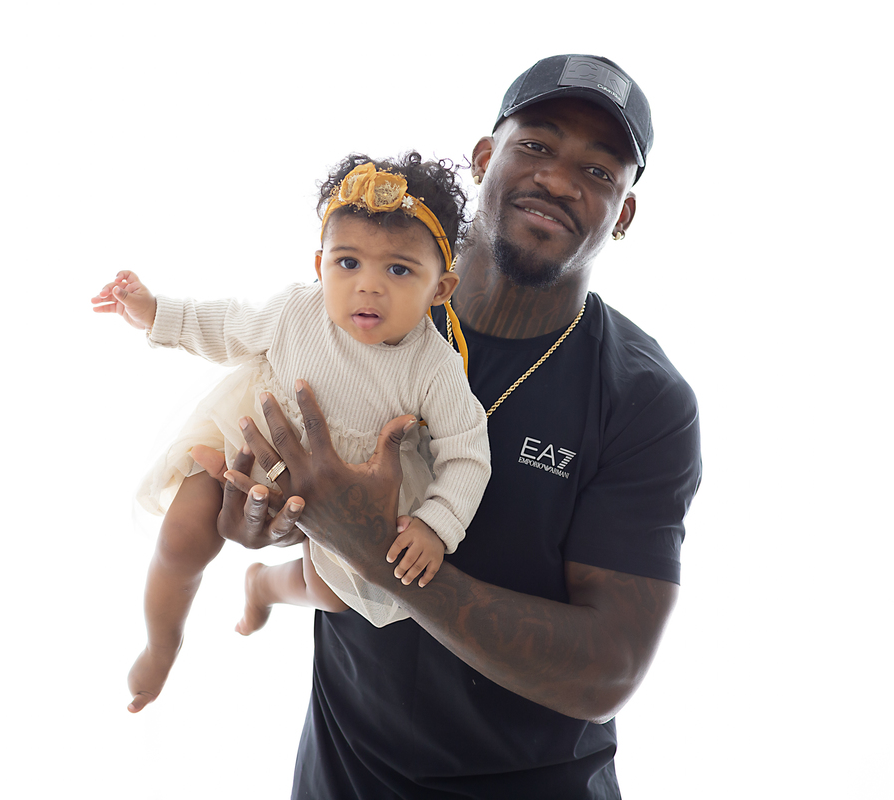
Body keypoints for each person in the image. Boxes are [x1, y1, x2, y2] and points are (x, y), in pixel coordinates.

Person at [195, 55, 702, 798]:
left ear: (623, 214)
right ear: (485, 158)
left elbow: (608, 670)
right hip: (341, 776)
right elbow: (276, 477)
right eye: (537, 144)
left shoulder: (642, 399)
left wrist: (378, 554)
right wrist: (267, 516)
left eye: (599, 172)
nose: (560, 180)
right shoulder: (363, 304)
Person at [90, 153, 492, 713]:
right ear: (320, 265)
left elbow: (467, 453)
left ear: (441, 288)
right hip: (249, 449)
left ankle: (265, 586)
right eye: (348, 262)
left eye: (399, 271)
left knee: (333, 596)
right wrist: (155, 311)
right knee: (182, 535)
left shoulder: (434, 367)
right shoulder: (296, 313)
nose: (368, 287)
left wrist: (435, 525)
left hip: (352, 500)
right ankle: (162, 643)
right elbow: (228, 325)